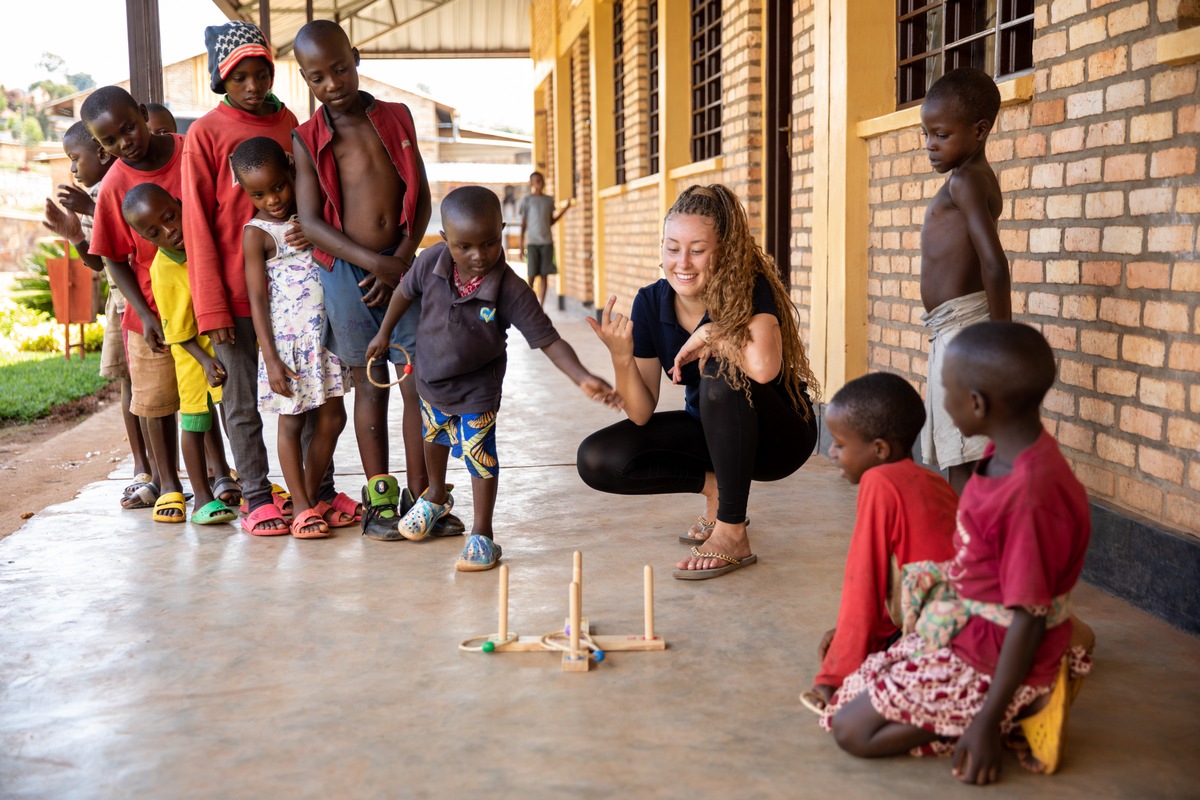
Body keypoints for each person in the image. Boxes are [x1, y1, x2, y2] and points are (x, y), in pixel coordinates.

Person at [822, 322, 1093, 785]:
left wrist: (985, 722)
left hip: (993, 653)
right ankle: (1006, 706)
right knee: (850, 694)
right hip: (972, 627)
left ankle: (1026, 705)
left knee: (851, 731)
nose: (938, 404)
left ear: (977, 405)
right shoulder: (1003, 452)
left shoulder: (1030, 493)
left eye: (945, 391)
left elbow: (1027, 617)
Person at [366, 186, 618, 571]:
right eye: (464, 246)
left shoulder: (511, 288)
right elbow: (403, 292)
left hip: (477, 391)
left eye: (489, 243)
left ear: (502, 230)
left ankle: (483, 534)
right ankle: (434, 496)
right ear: (445, 240)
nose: (478, 256)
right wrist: (384, 333)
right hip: (431, 383)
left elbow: (548, 339)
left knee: (479, 458)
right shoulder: (430, 260)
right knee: (432, 439)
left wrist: (581, 376)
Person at [578, 184, 820, 580]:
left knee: (719, 370)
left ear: (722, 250)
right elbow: (640, 413)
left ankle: (731, 531)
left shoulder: (747, 286)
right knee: (598, 458)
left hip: (781, 438)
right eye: (672, 248)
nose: (683, 262)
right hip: (713, 433)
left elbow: (762, 368)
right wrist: (621, 356)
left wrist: (710, 334)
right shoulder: (651, 302)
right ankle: (716, 489)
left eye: (697, 249)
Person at [292, 19, 463, 541]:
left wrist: (403, 259)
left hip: (404, 268)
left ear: (356, 57)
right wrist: (376, 266)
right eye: (317, 78)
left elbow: (424, 194)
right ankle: (381, 501)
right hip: (349, 276)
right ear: (305, 79)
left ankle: (423, 496)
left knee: (419, 384)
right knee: (371, 385)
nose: (332, 84)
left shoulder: (397, 116)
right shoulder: (307, 138)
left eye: (340, 69)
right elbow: (312, 222)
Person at [183, 20, 337, 535]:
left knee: (311, 395)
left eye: (261, 73)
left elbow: (311, 192)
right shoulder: (205, 134)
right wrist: (210, 306)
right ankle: (255, 494)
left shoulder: (289, 120)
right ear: (221, 80)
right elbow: (197, 227)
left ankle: (316, 492)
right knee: (242, 402)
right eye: (239, 77)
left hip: (295, 300)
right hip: (234, 295)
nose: (253, 86)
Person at [801, 372, 956, 713]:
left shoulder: (880, 482)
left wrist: (833, 677)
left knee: (856, 707)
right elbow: (914, 577)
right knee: (846, 642)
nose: (830, 451)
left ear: (880, 450)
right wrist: (848, 634)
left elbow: (864, 583)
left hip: (947, 638)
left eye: (840, 443)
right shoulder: (935, 482)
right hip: (973, 624)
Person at [84, 86, 193, 523]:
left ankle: (222, 474)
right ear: (101, 147)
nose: (125, 142)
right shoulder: (112, 186)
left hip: (201, 298)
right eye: (111, 141)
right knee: (156, 402)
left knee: (211, 396)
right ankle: (168, 483)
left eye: (129, 127)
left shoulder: (189, 153)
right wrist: (145, 315)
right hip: (149, 310)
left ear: (143, 115)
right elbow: (111, 256)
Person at [234, 137, 348, 539]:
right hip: (288, 346)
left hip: (326, 339)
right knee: (292, 423)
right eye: (258, 193)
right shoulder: (257, 233)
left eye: (278, 187)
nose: (272, 200)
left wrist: (314, 232)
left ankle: (310, 497)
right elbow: (257, 299)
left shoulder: (311, 221)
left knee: (334, 418)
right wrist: (270, 357)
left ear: (291, 175)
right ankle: (301, 505)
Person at [42, 122, 155, 510]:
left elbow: (137, 233)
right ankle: (142, 465)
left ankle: (198, 465)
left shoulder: (124, 186)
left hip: (154, 296)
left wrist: (90, 210)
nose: (73, 169)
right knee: (131, 384)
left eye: (76, 159)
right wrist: (74, 232)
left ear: (103, 155)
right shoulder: (89, 195)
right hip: (121, 302)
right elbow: (97, 258)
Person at [918, 67, 1011, 495]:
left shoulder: (966, 180)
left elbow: (994, 263)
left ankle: (967, 556)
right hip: (951, 329)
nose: (930, 147)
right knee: (962, 451)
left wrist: (1001, 340)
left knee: (962, 457)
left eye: (941, 135)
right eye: (927, 135)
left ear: (979, 130)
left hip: (964, 330)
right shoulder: (970, 178)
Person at [121, 183, 237, 526]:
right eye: (155, 232)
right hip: (194, 358)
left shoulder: (206, 242)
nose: (170, 232)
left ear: (180, 203)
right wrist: (203, 361)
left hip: (223, 348)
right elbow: (175, 331)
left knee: (236, 416)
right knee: (195, 421)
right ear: (145, 238)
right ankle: (201, 498)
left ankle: (249, 481)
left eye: (171, 217)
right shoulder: (163, 270)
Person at [518, 171, 571, 307]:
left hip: (546, 242)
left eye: (541, 180)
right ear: (531, 183)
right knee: (531, 275)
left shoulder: (548, 200)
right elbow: (523, 224)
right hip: (532, 242)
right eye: (536, 180)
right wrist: (520, 245)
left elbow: (551, 221)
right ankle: (529, 304)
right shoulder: (527, 201)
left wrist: (565, 209)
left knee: (544, 275)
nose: (539, 183)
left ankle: (541, 305)